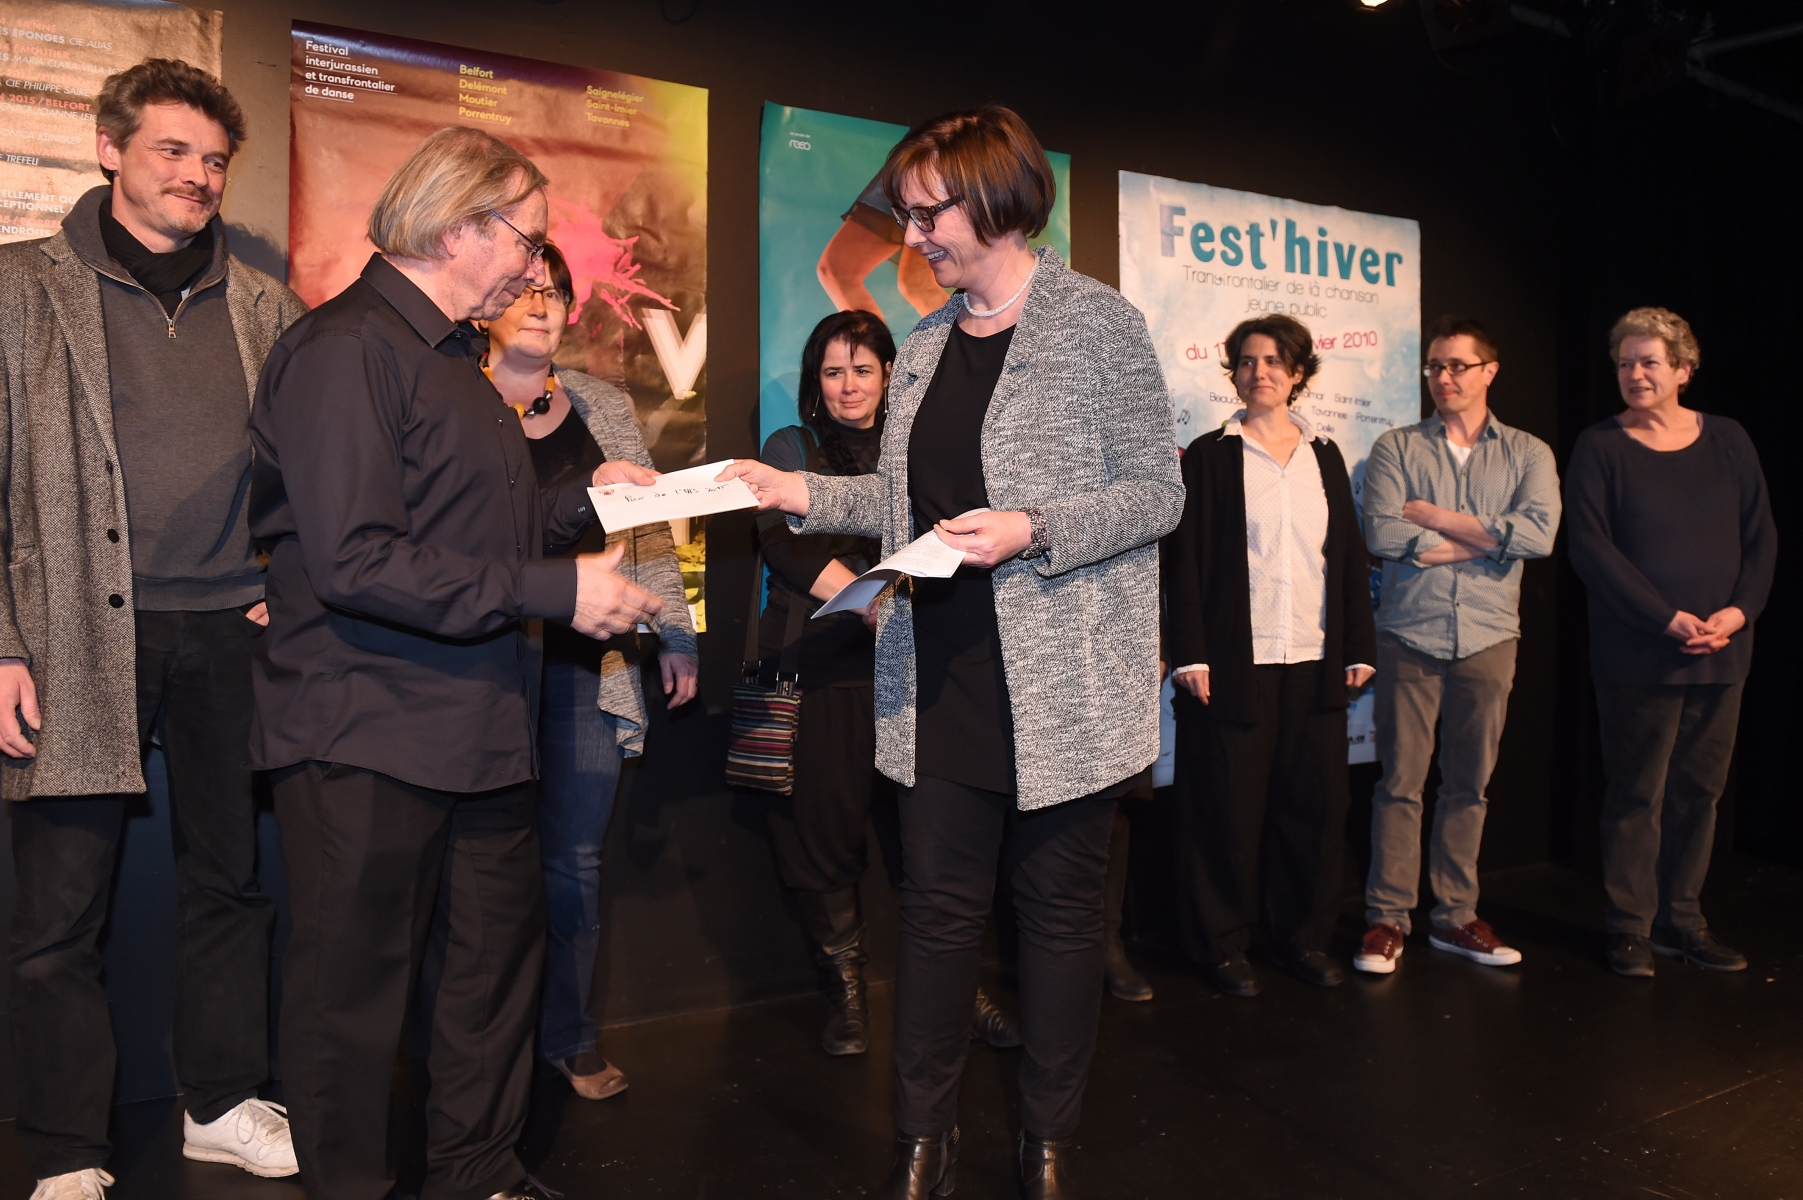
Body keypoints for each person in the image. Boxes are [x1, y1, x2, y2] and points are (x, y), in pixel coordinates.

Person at [725, 105, 1182, 1200]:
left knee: (1063, 923)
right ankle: (923, 1138)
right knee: (934, 920)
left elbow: (1160, 493)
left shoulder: (1099, 324)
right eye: (906, 211)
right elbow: (899, 500)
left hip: (1064, 682)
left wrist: (1036, 528)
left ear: (993, 200)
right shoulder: (923, 346)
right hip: (938, 679)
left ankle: (1047, 1141)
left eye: (927, 212)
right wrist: (793, 488)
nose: (911, 233)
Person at [248, 126, 662, 1200]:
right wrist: (557, 589)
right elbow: (356, 560)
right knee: (353, 1002)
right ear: (457, 223)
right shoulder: (345, 351)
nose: (534, 268)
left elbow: (473, 529)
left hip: (480, 731)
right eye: (524, 241)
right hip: (362, 730)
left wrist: (582, 503)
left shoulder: (451, 362)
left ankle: (477, 1172)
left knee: (487, 978)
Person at [0, 59, 306, 1200]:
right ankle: (69, 1151)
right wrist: (1, 645)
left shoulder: (267, 308)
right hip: (76, 632)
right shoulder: (19, 289)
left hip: (233, 633)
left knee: (230, 884)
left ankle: (220, 1105)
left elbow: (310, 477)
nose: (196, 175)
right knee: (58, 911)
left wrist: (293, 579)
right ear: (109, 147)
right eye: (173, 150)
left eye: (214, 159)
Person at [756, 310, 1021, 1058]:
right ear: (816, 381)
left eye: (861, 369)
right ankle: (845, 995)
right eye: (832, 371)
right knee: (826, 839)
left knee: (932, 847)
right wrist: (867, 598)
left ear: (889, 376)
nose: (847, 385)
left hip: (914, 670)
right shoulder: (792, 448)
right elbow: (781, 543)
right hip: (825, 671)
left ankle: (953, 993)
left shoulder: (915, 447)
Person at [479, 242, 698, 1100]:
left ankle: (568, 1038)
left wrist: (675, 637)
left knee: (572, 862)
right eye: (525, 287)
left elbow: (647, 532)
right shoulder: (455, 396)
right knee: (480, 862)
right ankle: (478, 1051)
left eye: (556, 291)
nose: (541, 302)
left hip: (585, 667)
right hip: (482, 665)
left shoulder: (602, 404)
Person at [1164, 314, 1377, 1000]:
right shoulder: (1210, 455)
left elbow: (1344, 556)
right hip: (1233, 664)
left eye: (1274, 362)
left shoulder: (1325, 455)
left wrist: (1358, 646)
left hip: (1314, 662)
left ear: (1298, 373)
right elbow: (1185, 565)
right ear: (1233, 372)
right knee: (1223, 813)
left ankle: (1303, 939)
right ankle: (1219, 945)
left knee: (1311, 814)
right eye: (1248, 362)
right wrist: (1190, 654)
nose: (1261, 373)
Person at [1565, 307, 1775, 979]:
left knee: (1697, 794)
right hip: (1638, 653)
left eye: (1647, 362)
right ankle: (1628, 926)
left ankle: (1680, 922)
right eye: (1624, 363)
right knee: (1635, 795)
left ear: (1682, 370)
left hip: (1722, 651)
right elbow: (1590, 549)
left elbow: (1760, 537)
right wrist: (1666, 618)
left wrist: (1738, 614)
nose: (1632, 374)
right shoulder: (1599, 446)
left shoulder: (1729, 440)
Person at [1353, 316, 1561, 975]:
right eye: (1434, 367)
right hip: (1408, 634)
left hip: (1489, 636)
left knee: (1468, 785)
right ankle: (1386, 918)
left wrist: (1437, 520)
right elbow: (1383, 531)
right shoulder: (1395, 447)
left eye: (1456, 367)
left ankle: (1453, 916)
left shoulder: (1526, 453)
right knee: (1400, 784)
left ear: (1488, 372)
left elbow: (1539, 536)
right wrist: (1485, 539)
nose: (1443, 378)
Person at [817, 172, 946, 322]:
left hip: (928, 165)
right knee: (917, 282)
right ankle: (963, 342)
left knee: (917, 282)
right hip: (923, 166)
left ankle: (874, 345)